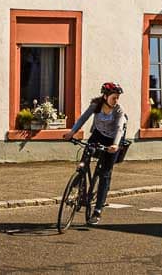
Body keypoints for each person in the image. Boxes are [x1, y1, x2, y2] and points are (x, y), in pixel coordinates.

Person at [63, 81, 127, 225]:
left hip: (113, 140)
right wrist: (72, 132)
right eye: (114, 97)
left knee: (105, 173)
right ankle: (78, 188)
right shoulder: (96, 105)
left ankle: (97, 211)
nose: (116, 100)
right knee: (85, 158)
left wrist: (115, 145)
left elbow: (119, 128)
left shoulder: (118, 110)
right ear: (105, 96)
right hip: (98, 135)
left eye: (117, 98)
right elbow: (83, 118)